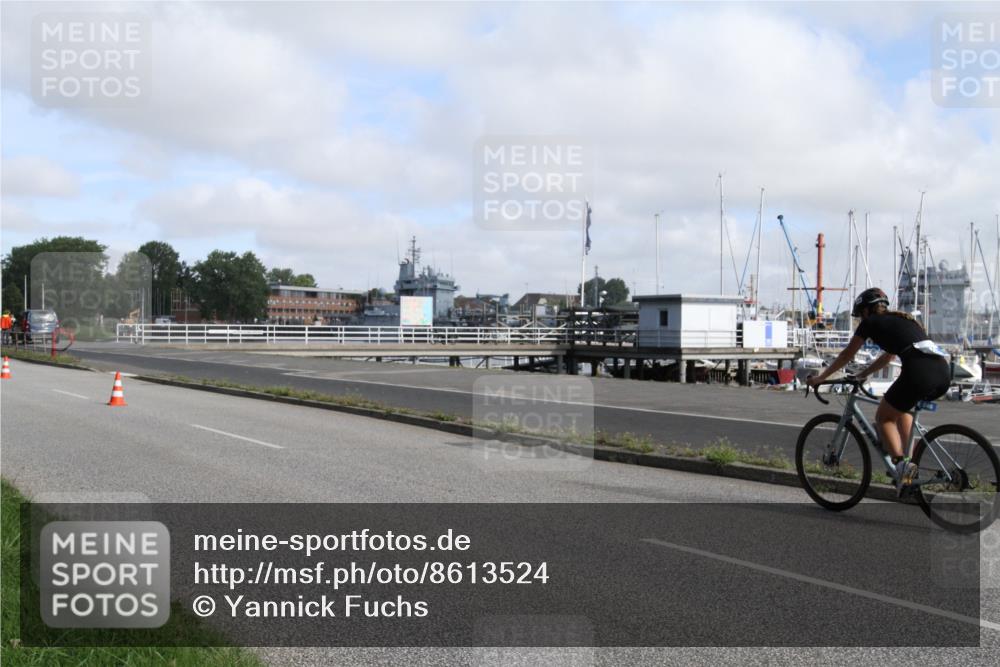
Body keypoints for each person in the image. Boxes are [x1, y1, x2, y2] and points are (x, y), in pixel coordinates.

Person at [806, 287, 951, 496]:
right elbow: (888, 357)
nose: (859, 320)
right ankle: (908, 470)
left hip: (919, 372)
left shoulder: (870, 323)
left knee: (883, 418)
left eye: (859, 316)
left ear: (866, 311)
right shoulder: (902, 320)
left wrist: (821, 377)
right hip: (942, 372)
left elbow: (847, 354)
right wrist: (863, 374)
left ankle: (902, 466)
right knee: (901, 411)